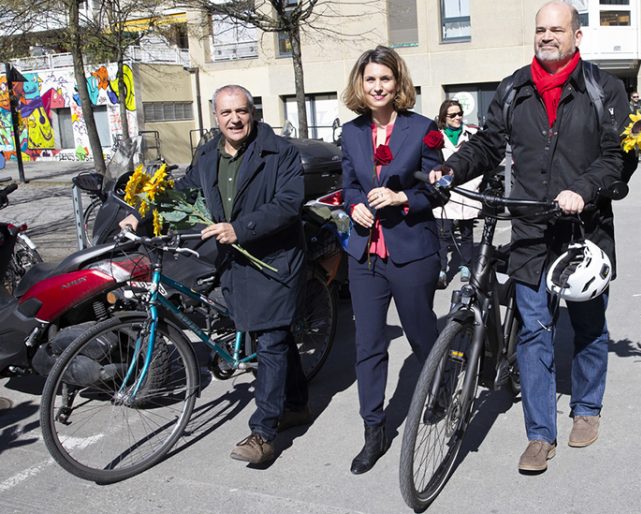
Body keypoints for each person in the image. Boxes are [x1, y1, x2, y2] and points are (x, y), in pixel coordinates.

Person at [431, 0, 636, 473]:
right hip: (530, 230)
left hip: (584, 229)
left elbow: (618, 156)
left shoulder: (603, 88)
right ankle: (540, 434)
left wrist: (583, 189)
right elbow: (488, 144)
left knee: (588, 325)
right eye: (541, 29)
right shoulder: (513, 89)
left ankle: (586, 407)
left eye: (556, 29)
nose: (547, 36)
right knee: (534, 331)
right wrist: (452, 168)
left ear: (576, 36)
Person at [122, 84, 310, 465]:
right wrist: (140, 214)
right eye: (226, 113)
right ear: (216, 117)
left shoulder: (280, 152)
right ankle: (296, 403)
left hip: (274, 259)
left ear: (253, 113)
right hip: (235, 262)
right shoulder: (208, 154)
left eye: (241, 111)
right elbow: (183, 191)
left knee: (270, 339)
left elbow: (289, 204)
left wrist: (241, 228)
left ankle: (263, 434)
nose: (235, 119)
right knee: (273, 333)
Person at [340, 45, 443, 475]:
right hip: (365, 254)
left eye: (385, 78)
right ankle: (374, 429)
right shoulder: (350, 133)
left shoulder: (422, 129)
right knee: (368, 344)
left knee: (421, 334)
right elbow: (348, 186)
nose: (378, 86)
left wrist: (402, 197)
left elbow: (439, 189)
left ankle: (439, 386)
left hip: (412, 249)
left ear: (398, 82)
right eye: (370, 79)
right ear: (360, 85)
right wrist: (354, 207)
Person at [433, 99, 481, 287]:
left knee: (467, 232)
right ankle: (441, 269)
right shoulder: (436, 138)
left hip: (467, 190)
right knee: (443, 234)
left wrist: (475, 183)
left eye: (459, 113)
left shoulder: (471, 135)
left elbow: (479, 162)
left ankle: (466, 266)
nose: (457, 118)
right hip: (444, 193)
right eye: (452, 115)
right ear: (443, 117)